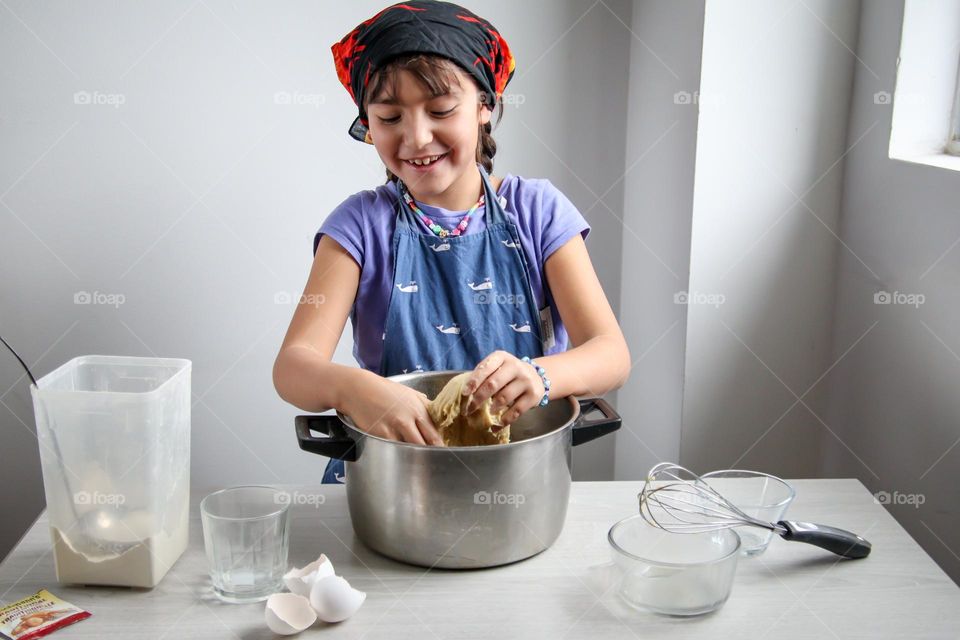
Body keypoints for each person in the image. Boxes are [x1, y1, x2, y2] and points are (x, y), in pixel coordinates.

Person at [273, 0, 631, 484]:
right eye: (389, 117)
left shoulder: (538, 212)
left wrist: (540, 376)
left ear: (484, 106)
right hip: (391, 481)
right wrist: (354, 389)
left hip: (516, 480)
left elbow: (611, 354)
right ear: (368, 125)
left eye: (440, 110)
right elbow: (293, 367)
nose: (417, 137)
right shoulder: (359, 226)